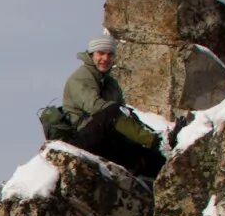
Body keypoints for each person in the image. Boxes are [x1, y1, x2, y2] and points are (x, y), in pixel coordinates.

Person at [53, 32, 166, 177]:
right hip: (78, 141)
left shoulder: (111, 83)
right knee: (111, 112)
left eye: (110, 54)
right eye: (101, 53)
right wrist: (149, 139)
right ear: (92, 54)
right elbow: (97, 108)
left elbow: (123, 114)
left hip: (103, 139)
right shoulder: (80, 78)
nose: (105, 58)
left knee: (150, 158)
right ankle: (157, 142)